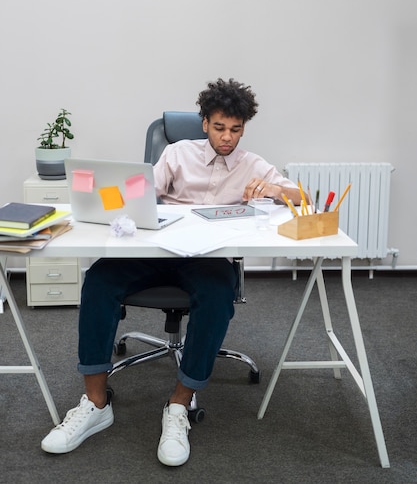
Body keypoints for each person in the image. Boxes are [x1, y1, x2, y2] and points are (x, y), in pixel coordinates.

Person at [41, 77, 301, 466]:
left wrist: (274, 190)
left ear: (243, 127)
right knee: (99, 280)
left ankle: (179, 405)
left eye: (235, 129)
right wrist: (107, 200)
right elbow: (137, 192)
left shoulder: (252, 164)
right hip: (159, 248)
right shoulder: (178, 154)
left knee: (216, 296)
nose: (227, 137)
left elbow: (303, 197)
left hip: (209, 258)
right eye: (219, 127)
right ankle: (95, 403)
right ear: (204, 123)